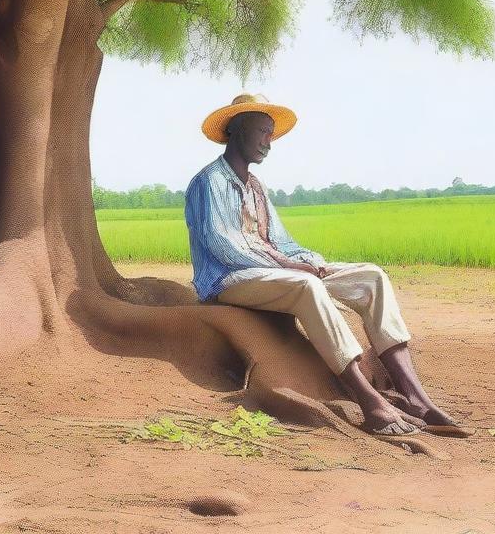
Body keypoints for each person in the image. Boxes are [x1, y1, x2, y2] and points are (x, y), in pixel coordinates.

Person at [184, 92, 471, 440]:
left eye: (270, 134)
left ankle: (415, 396)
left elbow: (282, 241)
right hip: (229, 280)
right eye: (261, 131)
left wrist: (314, 263)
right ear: (236, 129)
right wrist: (292, 268)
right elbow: (224, 246)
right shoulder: (207, 182)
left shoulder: (256, 187)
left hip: (273, 272)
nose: (268, 143)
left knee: (372, 278)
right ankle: (371, 402)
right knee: (308, 287)